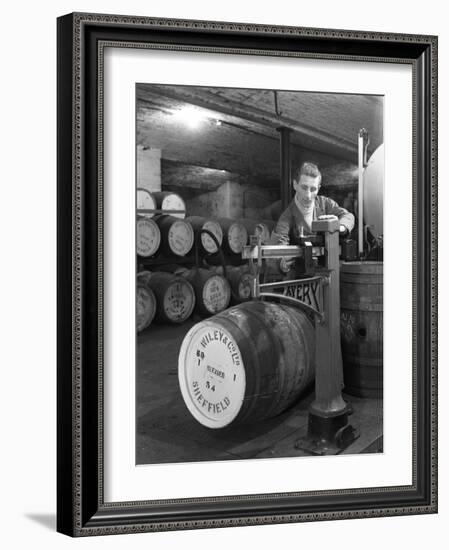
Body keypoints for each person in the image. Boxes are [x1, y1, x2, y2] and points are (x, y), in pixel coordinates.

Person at [272, 162, 355, 272]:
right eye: (304, 187)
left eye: (313, 189)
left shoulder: (325, 204)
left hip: (330, 270)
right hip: (302, 277)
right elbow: (279, 247)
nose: (308, 195)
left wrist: (339, 227)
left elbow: (348, 216)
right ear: (295, 185)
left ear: (319, 188)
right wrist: (282, 262)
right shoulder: (286, 218)